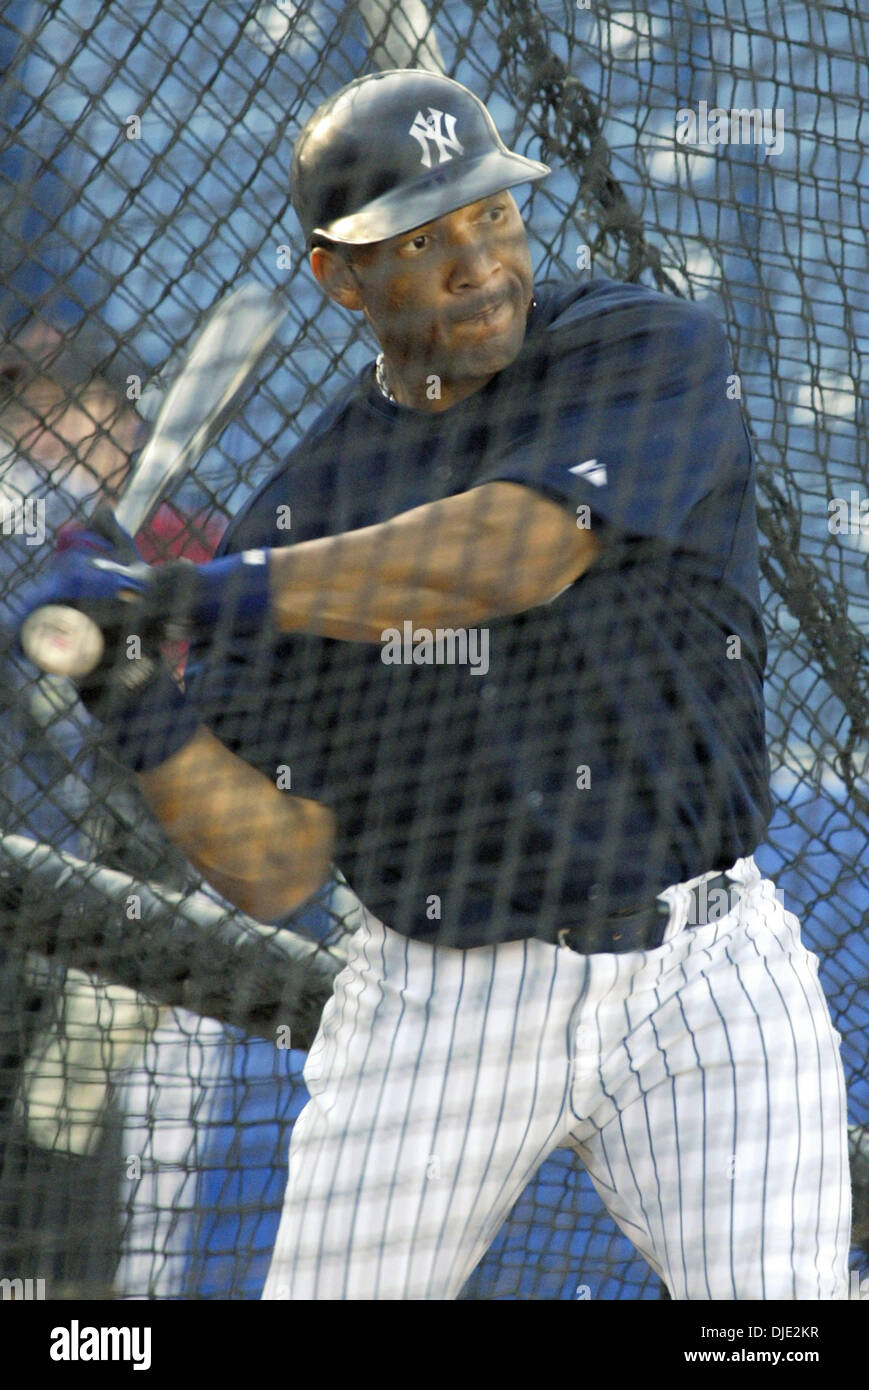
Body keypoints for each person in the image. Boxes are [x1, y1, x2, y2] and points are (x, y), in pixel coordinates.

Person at [19, 69, 851, 1301]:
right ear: (338, 277)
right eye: (422, 239)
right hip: (436, 999)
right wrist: (134, 692)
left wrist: (194, 593)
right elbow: (274, 864)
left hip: (703, 975)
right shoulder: (307, 504)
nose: (475, 262)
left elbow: (511, 555)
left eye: (491, 217)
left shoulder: (642, 348)